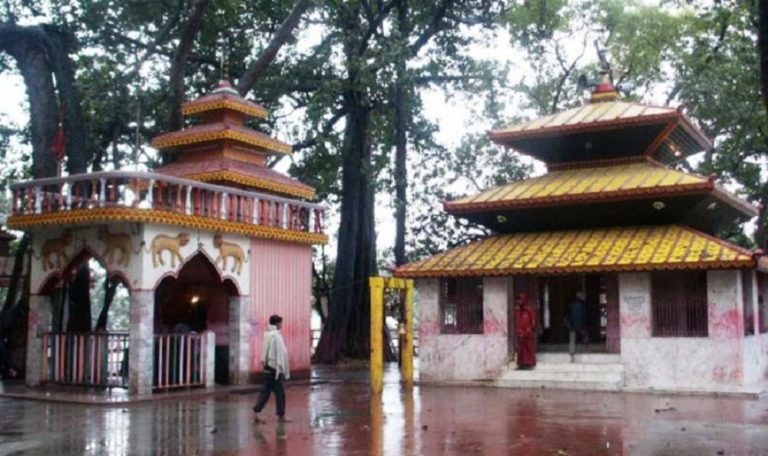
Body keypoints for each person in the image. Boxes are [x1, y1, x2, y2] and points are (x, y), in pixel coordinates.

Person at [253, 314, 290, 423]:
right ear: (277, 323)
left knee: (265, 392)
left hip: (267, 367)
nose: (281, 325)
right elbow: (280, 353)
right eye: (280, 323)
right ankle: (281, 415)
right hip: (274, 368)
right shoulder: (276, 336)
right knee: (280, 393)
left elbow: (266, 351)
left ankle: (256, 413)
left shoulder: (267, 334)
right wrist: (281, 367)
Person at [514, 292, 537, 370]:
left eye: (520, 299)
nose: (519, 301)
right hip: (520, 333)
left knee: (528, 349)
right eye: (518, 300)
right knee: (521, 350)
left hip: (527, 334)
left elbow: (533, 322)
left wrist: (528, 330)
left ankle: (529, 364)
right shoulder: (518, 310)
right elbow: (517, 321)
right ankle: (521, 364)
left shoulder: (529, 310)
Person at [566, 292, 589, 362]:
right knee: (585, 335)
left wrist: (569, 324)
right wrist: (584, 325)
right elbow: (584, 316)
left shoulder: (570, 304)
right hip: (581, 324)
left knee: (572, 340)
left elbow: (567, 315)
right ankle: (586, 347)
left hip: (572, 325)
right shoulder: (583, 305)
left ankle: (572, 356)